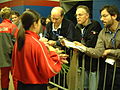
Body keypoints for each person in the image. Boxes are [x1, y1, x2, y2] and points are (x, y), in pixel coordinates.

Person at [12, 9, 68, 90]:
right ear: (35, 24)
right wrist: (55, 55)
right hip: (36, 85)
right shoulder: (37, 44)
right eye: (39, 23)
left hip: (21, 84)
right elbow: (49, 69)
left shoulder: (19, 41)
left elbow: (16, 64)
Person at [73, 5, 120, 90]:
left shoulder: (95, 26)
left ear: (114, 16)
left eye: (105, 16)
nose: (102, 19)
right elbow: (98, 52)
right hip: (107, 69)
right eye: (101, 16)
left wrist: (109, 51)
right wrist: (83, 48)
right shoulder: (103, 32)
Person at [44, 6, 76, 89]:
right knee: (52, 71)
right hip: (52, 53)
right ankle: (53, 84)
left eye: (56, 19)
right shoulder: (49, 24)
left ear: (62, 17)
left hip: (64, 53)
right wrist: (45, 40)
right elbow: (47, 35)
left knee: (62, 74)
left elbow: (69, 39)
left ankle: (62, 87)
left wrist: (55, 42)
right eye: (52, 18)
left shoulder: (69, 25)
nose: (54, 21)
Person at [73, 5, 102, 90]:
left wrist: (79, 45)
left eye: (80, 15)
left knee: (92, 86)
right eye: (76, 15)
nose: (77, 17)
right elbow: (75, 40)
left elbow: (92, 43)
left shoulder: (95, 25)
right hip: (82, 62)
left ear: (87, 15)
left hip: (93, 62)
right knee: (83, 86)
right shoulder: (77, 27)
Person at [0, 7, 18, 90]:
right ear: (10, 16)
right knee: (15, 77)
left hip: (2, 57)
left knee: (4, 76)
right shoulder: (13, 27)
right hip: (12, 57)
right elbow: (18, 42)